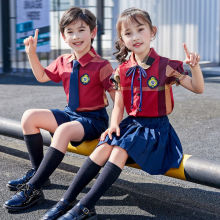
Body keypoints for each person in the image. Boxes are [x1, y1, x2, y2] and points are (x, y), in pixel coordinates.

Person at [38, 7, 204, 220]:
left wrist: (195, 68)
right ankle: (66, 201)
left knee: (118, 151)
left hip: (155, 130)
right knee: (103, 146)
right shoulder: (123, 69)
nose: (135, 37)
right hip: (131, 125)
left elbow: (198, 88)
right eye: (128, 33)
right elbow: (119, 104)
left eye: (140, 30)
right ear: (122, 39)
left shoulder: (166, 66)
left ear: (152, 32)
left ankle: (85, 206)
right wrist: (113, 125)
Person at [3, 6, 115, 212]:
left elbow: (118, 97)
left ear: (93, 32)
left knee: (62, 131)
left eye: (81, 30)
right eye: (70, 31)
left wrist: (117, 125)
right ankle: (39, 175)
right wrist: (31, 54)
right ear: (64, 36)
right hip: (71, 114)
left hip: (93, 120)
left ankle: (33, 188)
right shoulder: (63, 61)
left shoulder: (102, 65)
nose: (76, 36)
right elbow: (42, 77)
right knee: (29, 116)